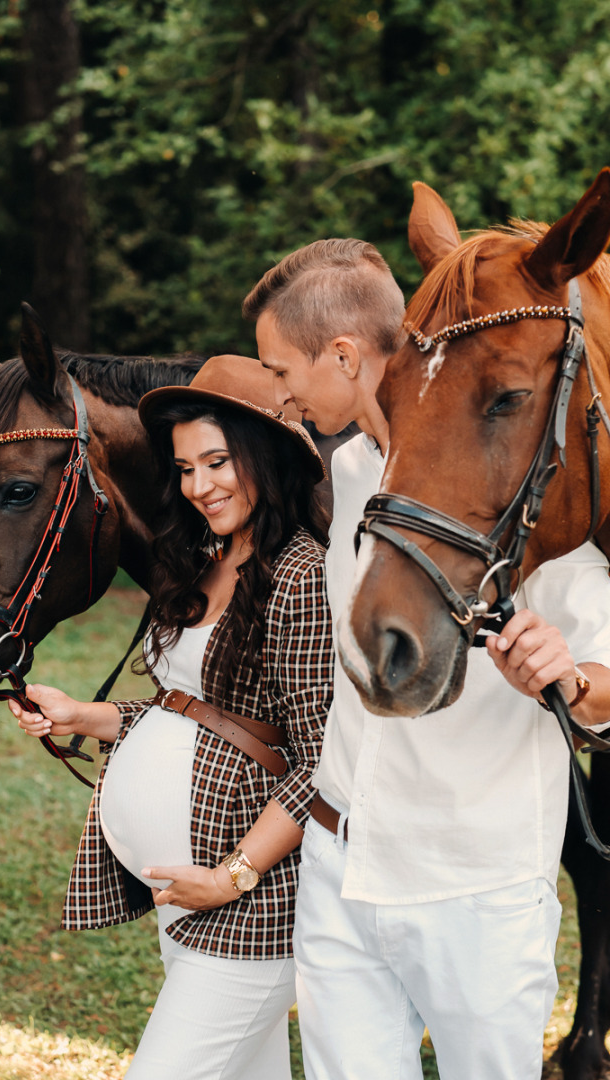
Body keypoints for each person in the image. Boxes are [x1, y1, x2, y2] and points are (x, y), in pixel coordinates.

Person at [243, 239, 610, 1079]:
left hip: (474, 885)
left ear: (340, 355)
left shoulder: (519, 474)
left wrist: (570, 675)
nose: (279, 393)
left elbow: (604, 687)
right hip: (342, 862)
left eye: (280, 369)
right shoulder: (347, 471)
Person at [8, 354, 334, 1080]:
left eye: (217, 462)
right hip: (186, 899)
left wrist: (232, 877)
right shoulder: (206, 560)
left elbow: (321, 761)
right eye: (186, 469)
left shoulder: (304, 576)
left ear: (266, 457)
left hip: (249, 907)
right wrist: (81, 714)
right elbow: (184, 714)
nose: (199, 486)